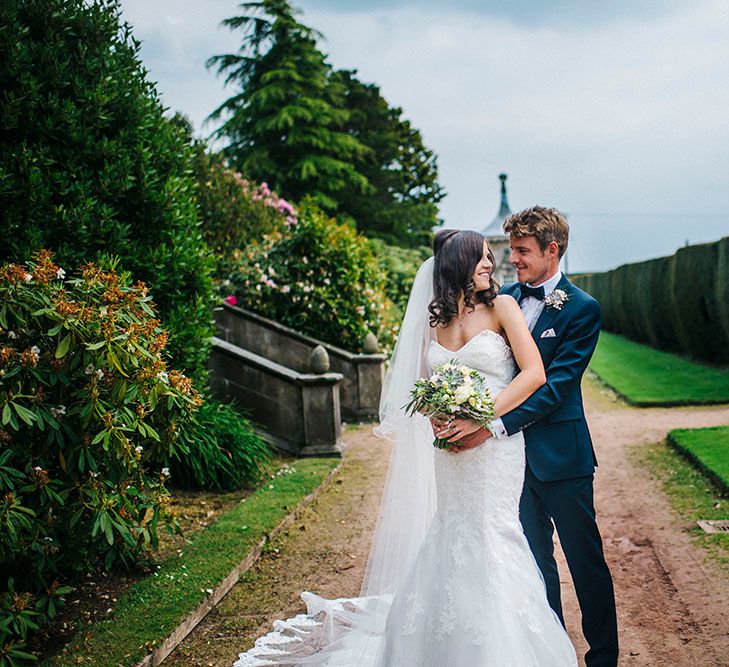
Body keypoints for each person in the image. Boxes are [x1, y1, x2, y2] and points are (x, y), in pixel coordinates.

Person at [234, 228, 577, 666]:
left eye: (492, 257)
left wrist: (482, 416)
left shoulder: (502, 307)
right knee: (451, 526)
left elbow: (533, 375)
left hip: (494, 448)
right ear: (457, 265)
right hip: (449, 448)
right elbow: (423, 383)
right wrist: (436, 412)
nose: (491, 265)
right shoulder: (436, 319)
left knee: (494, 532)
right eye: (482, 258)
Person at [449, 207, 619, 667]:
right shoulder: (501, 298)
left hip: (562, 457)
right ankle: (552, 653)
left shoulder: (583, 309)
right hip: (512, 462)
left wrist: (489, 427)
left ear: (552, 250)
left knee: (586, 566)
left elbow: (555, 387)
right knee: (533, 565)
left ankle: (603, 659)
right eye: (511, 251)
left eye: (522, 252)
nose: (514, 261)